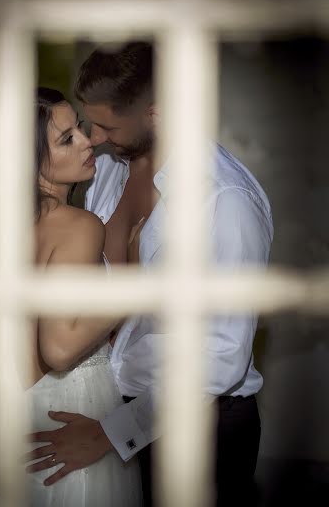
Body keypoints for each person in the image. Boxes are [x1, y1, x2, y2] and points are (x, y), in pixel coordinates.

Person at [26, 43, 274, 507]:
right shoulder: (105, 173)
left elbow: (221, 356)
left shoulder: (223, 200)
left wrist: (111, 434)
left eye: (106, 126)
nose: (94, 138)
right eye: (87, 123)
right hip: (105, 408)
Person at [0, 87, 142, 507]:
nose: (88, 141)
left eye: (77, 127)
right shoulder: (78, 225)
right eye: (66, 139)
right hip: (66, 414)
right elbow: (57, 350)